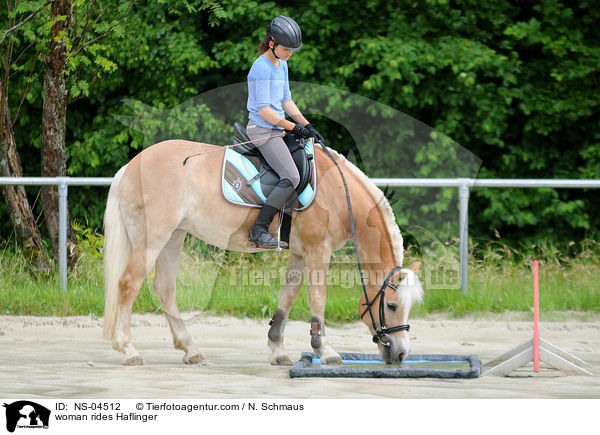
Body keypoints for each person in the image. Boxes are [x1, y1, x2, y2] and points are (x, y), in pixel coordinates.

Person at [246, 15, 324, 249]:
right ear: (272, 44)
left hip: (277, 128)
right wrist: (293, 127)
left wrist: (307, 125)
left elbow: (286, 101)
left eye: (292, 50)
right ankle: (258, 230)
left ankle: (289, 227)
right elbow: (265, 111)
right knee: (291, 176)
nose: (290, 53)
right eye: (286, 49)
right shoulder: (261, 68)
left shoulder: (283, 64)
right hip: (262, 129)